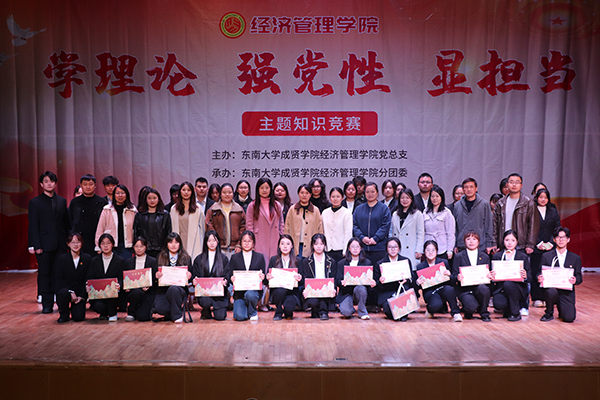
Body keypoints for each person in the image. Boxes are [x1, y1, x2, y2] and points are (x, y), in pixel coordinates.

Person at [28, 171, 70, 313]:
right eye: (46, 181)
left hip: (60, 243)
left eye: (51, 181)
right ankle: (47, 304)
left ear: (55, 183)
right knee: (45, 273)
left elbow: (65, 223)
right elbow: (33, 225)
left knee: (60, 273)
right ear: (41, 184)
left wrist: (68, 242)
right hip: (44, 245)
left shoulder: (62, 201)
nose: (49, 184)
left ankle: (61, 303)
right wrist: (36, 244)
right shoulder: (35, 202)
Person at [538, 227, 582, 323]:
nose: (561, 240)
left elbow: (579, 277)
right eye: (558, 237)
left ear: (568, 239)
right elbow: (539, 273)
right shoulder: (546, 256)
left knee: (569, 318)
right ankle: (549, 312)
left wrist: (575, 280)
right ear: (554, 239)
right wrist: (539, 277)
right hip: (551, 289)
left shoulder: (575, 258)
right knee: (550, 292)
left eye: (563, 237)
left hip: (566, 291)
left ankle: (562, 308)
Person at [415, 240, 462, 322]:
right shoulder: (420, 266)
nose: (430, 252)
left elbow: (451, 281)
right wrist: (417, 283)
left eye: (433, 250)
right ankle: (430, 310)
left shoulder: (443, 262)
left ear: (437, 251)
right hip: (430, 292)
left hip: (442, 288)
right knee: (436, 305)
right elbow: (416, 286)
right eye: (428, 250)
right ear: (424, 252)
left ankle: (456, 313)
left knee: (449, 289)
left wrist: (449, 275)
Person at [491, 230, 531, 321]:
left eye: (513, 240)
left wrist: (525, 276)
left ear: (517, 242)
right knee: (499, 304)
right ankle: (508, 309)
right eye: (507, 240)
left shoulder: (522, 257)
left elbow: (530, 278)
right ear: (503, 241)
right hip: (501, 289)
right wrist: (492, 276)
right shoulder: (497, 256)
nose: (509, 243)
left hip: (519, 289)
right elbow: (492, 278)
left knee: (508, 283)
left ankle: (515, 313)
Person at [493, 173, 538, 254]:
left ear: (521, 185)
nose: (514, 184)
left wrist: (530, 244)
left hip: (521, 246)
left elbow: (533, 225)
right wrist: (494, 243)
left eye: (517, 182)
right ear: (507, 184)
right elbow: (495, 225)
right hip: (503, 244)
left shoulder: (529, 203)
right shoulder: (500, 203)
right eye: (511, 182)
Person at [152, 232, 192, 323]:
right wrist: (156, 275)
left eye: (176, 242)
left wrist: (189, 275)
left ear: (180, 244)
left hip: (179, 289)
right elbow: (154, 275)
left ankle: (177, 316)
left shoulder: (186, 258)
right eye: (170, 242)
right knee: (160, 308)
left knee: (173, 289)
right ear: (166, 244)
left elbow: (192, 275)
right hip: (163, 290)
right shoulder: (160, 257)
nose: (173, 245)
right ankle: (172, 312)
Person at [530, 188, 561, 307]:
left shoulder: (553, 211)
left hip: (550, 247)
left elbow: (557, 228)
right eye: (541, 197)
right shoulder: (531, 210)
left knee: (549, 272)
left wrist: (552, 243)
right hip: (536, 246)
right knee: (535, 272)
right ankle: (537, 297)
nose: (543, 200)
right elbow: (529, 228)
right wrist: (538, 243)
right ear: (536, 198)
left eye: (545, 197)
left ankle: (548, 298)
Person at [191, 230, 231, 321]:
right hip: (205, 293)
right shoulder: (199, 259)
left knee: (220, 317)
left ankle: (218, 309)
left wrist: (225, 281)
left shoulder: (224, 259)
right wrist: (194, 280)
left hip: (220, 295)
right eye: (209, 240)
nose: (212, 243)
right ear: (205, 242)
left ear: (218, 242)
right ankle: (206, 311)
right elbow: (195, 275)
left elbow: (227, 275)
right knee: (205, 302)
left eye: (214, 240)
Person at [452, 231, 492, 321]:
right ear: (464, 241)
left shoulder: (485, 257)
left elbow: (488, 275)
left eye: (474, 239)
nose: (471, 241)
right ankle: (468, 310)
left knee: (483, 289)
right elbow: (453, 275)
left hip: (479, 286)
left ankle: (484, 313)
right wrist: (457, 277)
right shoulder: (458, 256)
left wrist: (489, 276)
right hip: (465, 290)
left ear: (478, 241)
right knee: (471, 307)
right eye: (468, 239)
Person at [374, 237, 413, 321]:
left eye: (395, 247)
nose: (393, 249)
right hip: (387, 292)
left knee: (405, 291)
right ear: (386, 248)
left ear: (399, 248)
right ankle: (401, 315)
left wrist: (406, 280)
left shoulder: (405, 261)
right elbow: (375, 286)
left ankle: (402, 315)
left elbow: (411, 280)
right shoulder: (380, 263)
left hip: (402, 290)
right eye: (390, 247)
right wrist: (380, 281)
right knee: (387, 309)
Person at [87, 233, 125, 321]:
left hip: (114, 295)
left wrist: (119, 285)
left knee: (113, 297)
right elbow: (90, 277)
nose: (106, 246)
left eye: (108, 243)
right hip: (99, 295)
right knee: (98, 306)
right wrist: (88, 286)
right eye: (103, 243)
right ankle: (103, 312)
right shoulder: (94, 261)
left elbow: (122, 277)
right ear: (99, 245)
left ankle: (112, 313)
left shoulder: (120, 260)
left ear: (112, 244)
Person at [229, 231, 266, 321]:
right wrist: (231, 278)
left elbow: (263, 278)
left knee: (250, 294)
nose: (246, 243)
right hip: (239, 293)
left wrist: (263, 277)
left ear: (253, 243)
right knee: (239, 317)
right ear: (241, 242)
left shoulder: (260, 257)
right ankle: (247, 310)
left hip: (254, 292)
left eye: (249, 241)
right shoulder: (234, 258)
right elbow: (230, 275)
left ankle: (253, 312)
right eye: (244, 241)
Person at [55, 233, 92, 323]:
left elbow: (88, 278)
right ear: (68, 244)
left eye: (78, 242)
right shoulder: (62, 259)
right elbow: (59, 279)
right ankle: (64, 314)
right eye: (72, 242)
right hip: (66, 290)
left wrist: (82, 296)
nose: (75, 245)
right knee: (62, 293)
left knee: (78, 317)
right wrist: (70, 292)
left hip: (80, 293)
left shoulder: (87, 258)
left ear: (82, 243)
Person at [246, 177, 284, 264]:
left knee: (274, 263)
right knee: (261, 263)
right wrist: (251, 241)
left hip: (275, 238)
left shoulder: (276, 205)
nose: (264, 190)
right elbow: (249, 225)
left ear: (271, 189)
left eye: (267, 188)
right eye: (262, 188)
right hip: (259, 239)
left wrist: (281, 236)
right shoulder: (252, 205)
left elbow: (281, 223)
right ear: (258, 189)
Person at [353, 182, 391, 265]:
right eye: (367, 192)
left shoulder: (384, 208)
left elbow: (385, 225)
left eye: (372, 192)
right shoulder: (358, 209)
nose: (370, 194)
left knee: (378, 271)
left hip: (379, 248)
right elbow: (354, 226)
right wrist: (362, 237)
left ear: (377, 193)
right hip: (362, 248)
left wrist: (376, 238)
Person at [452, 178, 494, 253]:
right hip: (462, 245)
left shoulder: (484, 204)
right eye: (466, 187)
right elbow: (454, 227)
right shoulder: (457, 205)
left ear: (476, 188)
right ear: (463, 189)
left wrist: (489, 244)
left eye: (471, 187)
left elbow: (489, 225)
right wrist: (455, 244)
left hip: (480, 245)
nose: (469, 189)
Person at [69, 174, 108, 256]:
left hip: (96, 240)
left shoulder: (102, 202)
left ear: (95, 185)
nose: (88, 187)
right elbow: (70, 220)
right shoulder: (75, 202)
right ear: (81, 185)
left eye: (90, 184)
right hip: (79, 240)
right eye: (85, 184)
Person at [300, 234, 337, 320]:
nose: (319, 246)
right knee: (313, 301)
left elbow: (333, 278)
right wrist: (305, 290)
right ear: (312, 245)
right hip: (312, 291)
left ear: (325, 245)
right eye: (316, 244)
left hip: (326, 291)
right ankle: (316, 311)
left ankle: (324, 312)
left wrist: (334, 289)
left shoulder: (331, 261)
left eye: (321, 244)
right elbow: (305, 279)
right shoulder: (306, 261)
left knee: (324, 296)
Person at [95, 184, 137, 259]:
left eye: (122, 193)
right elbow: (100, 228)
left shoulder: (132, 210)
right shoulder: (107, 209)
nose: (120, 195)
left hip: (127, 246)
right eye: (117, 193)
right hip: (111, 245)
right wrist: (98, 246)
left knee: (126, 265)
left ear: (126, 194)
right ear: (114, 195)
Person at [336, 238, 374, 320]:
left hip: (360, 292)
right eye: (353, 246)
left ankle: (362, 312)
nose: (355, 249)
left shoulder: (367, 263)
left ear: (361, 248)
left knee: (360, 288)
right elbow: (337, 280)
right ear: (349, 248)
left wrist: (371, 283)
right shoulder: (341, 263)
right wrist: (341, 282)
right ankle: (350, 308)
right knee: (346, 312)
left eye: (357, 246)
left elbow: (369, 281)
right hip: (346, 292)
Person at [267, 234, 302, 320]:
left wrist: (300, 278)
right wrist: (268, 277)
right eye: (282, 243)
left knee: (289, 309)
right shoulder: (273, 259)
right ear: (279, 246)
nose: (285, 246)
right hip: (278, 291)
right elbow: (266, 281)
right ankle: (278, 311)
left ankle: (287, 311)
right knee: (280, 291)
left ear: (292, 246)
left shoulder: (298, 260)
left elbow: (303, 282)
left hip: (292, 292)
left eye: (288, 244)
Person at [206, 183, 246, 258]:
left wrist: (239, 244)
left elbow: (243, 228)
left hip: (235, 249)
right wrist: (215, 242)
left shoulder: (239, 209)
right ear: (220, 194)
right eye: (224, 192)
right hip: (218, 248)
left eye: (229, 192)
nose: (227, 194)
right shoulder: (213, 209)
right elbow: (209, 226)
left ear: (233, 193)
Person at [123, 237, 158, 322]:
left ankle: (139, 310)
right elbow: (125, 278)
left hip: (148, 293)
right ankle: (131, 312)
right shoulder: (128, 262)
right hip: (133, 292)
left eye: (142, 246)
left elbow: (155, 279)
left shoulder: (153, 261)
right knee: (137, 292)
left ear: (146, 246)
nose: (139, 249)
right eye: (136, 246)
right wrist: (126, 286)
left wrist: (150, 285)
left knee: (143, 317)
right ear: (133, 247)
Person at [285, 184, 323, 258]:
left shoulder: (315, 210)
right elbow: (287, 228)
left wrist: (319, 244)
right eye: (302, 193)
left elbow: (320, 229)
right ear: (298, 194)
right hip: (295, 245)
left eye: (307, 193)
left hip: (311, 246)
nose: (304, 195)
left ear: (310, 195)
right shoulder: (292, 209)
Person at [389, 188, 424, 270]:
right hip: (396, 249)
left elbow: (420, 233)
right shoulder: (395, 214)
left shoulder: (417, 214)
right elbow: (391, 231)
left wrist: (419, 250)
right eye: (402, 198)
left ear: (412, 199)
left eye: (407, 198)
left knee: (409, 270)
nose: (405, 200)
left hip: (411, 248)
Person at [170, 181, 204, 261]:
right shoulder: (174, 208)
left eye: (188, 190)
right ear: (180, 191)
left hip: (195, 241)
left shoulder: (198, 208)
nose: (186, 192)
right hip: (179, 239)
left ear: (192, 192)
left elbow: (202, 229)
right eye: (183, 190)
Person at [134, 187, 172, 258]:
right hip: (144, 249)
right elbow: (136, 232)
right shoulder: (139, 215)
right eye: (149, 198)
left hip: (161, 249)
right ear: (145, 200)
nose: (152, 200)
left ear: (158, 199)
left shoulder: (165, 214)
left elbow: (168, 232)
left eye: (154, 198)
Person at [423, 185, 455, 260]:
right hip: (427, 247)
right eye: (432, 196)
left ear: (441, 197)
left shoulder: (446, 212)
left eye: (437, 196)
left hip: (442, 247)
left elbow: (450, 233)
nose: (435, 198)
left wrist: (450, 250)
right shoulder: (425, 211)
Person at [321, 187, 353, 263]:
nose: (335, 199)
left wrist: (345, 251)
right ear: (330, 198)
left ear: (342, 198)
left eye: (338, 196)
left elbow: (348, 233)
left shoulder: (346, 213)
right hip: (327, 249)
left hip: (340, 250)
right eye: (333, 196)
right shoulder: (325, 213)